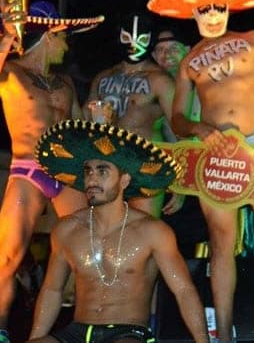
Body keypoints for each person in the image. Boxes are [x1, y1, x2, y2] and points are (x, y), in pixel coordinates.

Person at [147, 0, 254, 342]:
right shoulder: (189, 60)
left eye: (219, 7)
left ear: (228, 7)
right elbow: (176, 118)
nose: (213, 15)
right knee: (221, 245)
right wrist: (198, 128)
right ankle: (222, 332)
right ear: (194, 12)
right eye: (205, 9)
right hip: (215, 158)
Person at [28, 119, 209, 343]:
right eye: (89, 171)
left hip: (128, 334)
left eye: (102, 172)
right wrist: (35, 339)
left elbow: (184, 291)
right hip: (77, 332)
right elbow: (53, 290)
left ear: (124, 180)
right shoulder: (67, 229)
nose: (92, 178)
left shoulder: (153, 232)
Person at [0, 0, 104, 341]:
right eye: (63, 37)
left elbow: (81, 130)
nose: (67, 44)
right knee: (7, 258)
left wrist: (99, 123)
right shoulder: (10, 73)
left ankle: (88, 328)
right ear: (48, 36)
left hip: (66, 172)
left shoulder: (64, 84)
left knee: (90, 251)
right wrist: (7, 36)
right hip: (28, 170)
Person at [85, 11, 182, 217]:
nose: (134, 44)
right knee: (106, 234)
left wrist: (180, 182)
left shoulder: (160, 80)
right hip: (107, 165)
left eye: (142, 39)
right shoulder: (103, 77)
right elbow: (84, 123)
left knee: (143, 232)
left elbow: (178, 130)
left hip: (146, 166)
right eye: (128, 37)